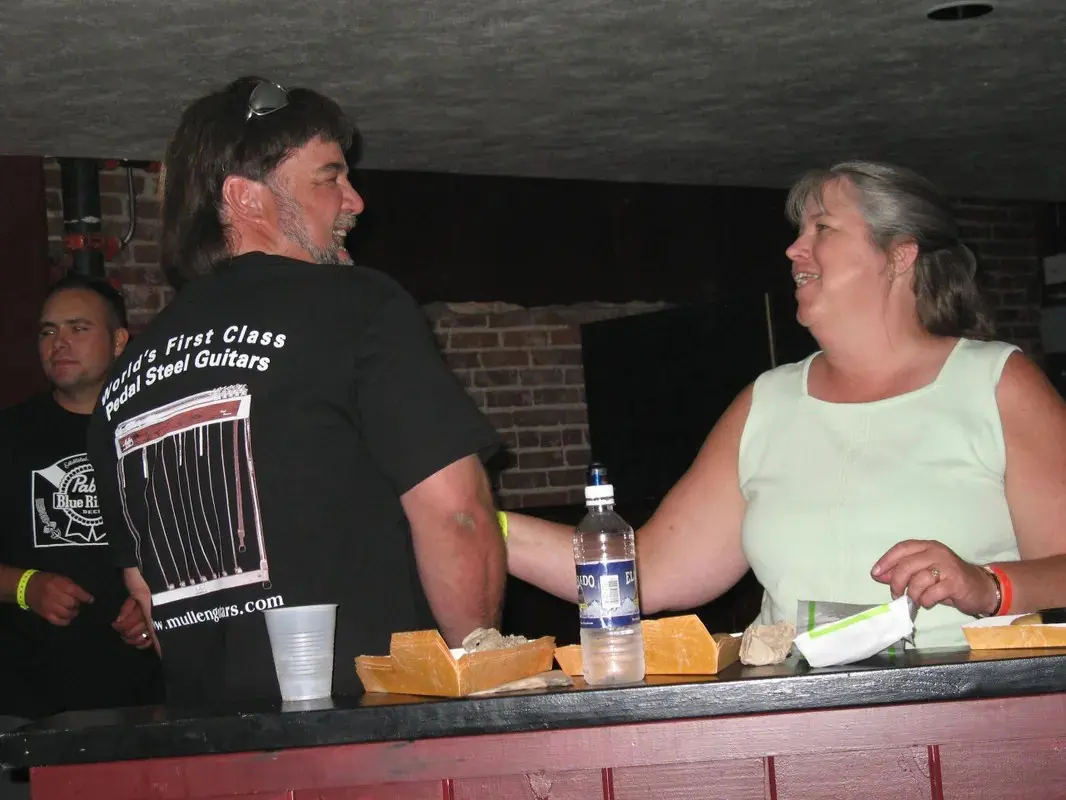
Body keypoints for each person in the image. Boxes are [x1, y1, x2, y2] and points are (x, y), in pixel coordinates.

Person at [505, 160, 1066, 650]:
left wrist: (988, 585)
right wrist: (480, 527)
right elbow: (650, 571)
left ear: (898, 257)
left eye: (823, 227)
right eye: (800, 230)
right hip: (799, 725)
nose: (795, 248)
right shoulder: (767, 402)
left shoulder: (995, 381)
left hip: (969, 716)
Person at [86, 76, 506, 707]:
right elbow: (458, 514)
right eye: (328, 178)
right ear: (245, 198)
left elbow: (148, 593)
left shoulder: (122, 383)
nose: (355, 201)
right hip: (376, 737)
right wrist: (486, 682)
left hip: (215, 746)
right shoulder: (358, 305)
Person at [0, 275, 163, 724]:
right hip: (26, 704)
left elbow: (214, 541)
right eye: (48, 331)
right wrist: (25, 586)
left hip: (149, 698)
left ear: (118, 342)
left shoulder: (156, 429)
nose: (58, 343)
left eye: (78, 328)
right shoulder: (10, 434)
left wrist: (161, 604)